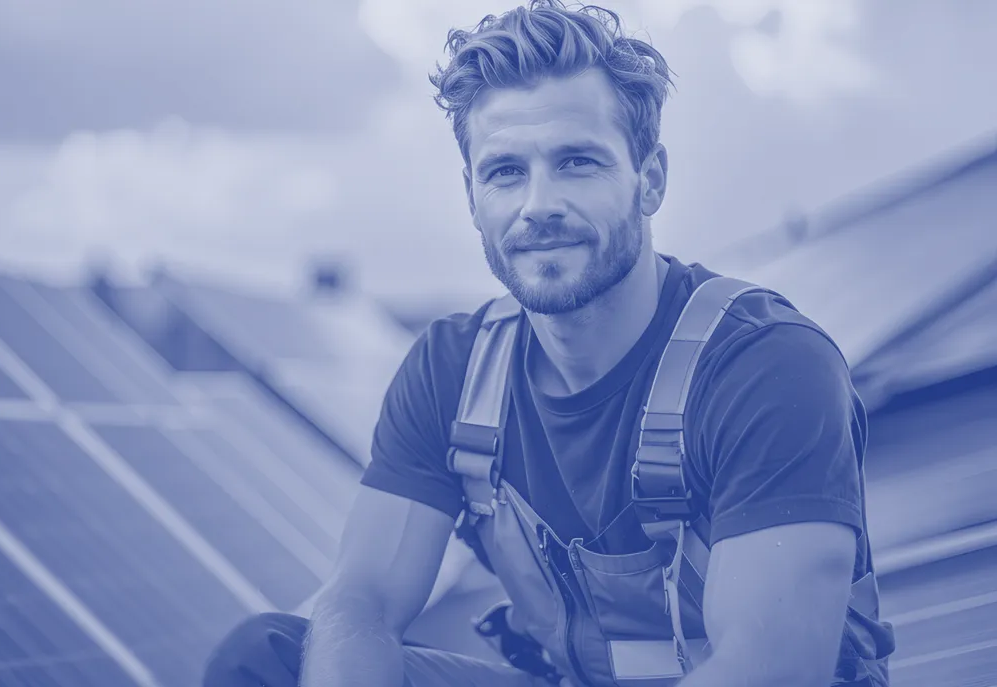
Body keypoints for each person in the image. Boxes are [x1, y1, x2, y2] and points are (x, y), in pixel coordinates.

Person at [202, 1, 895, 685]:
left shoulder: (766, 364)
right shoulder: (454, 371)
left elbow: (771, 667)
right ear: (472, 195)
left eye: (577, 162)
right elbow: (363, 602)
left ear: (649, 179)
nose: (539, 205)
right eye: (506, 172)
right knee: (267, 657)